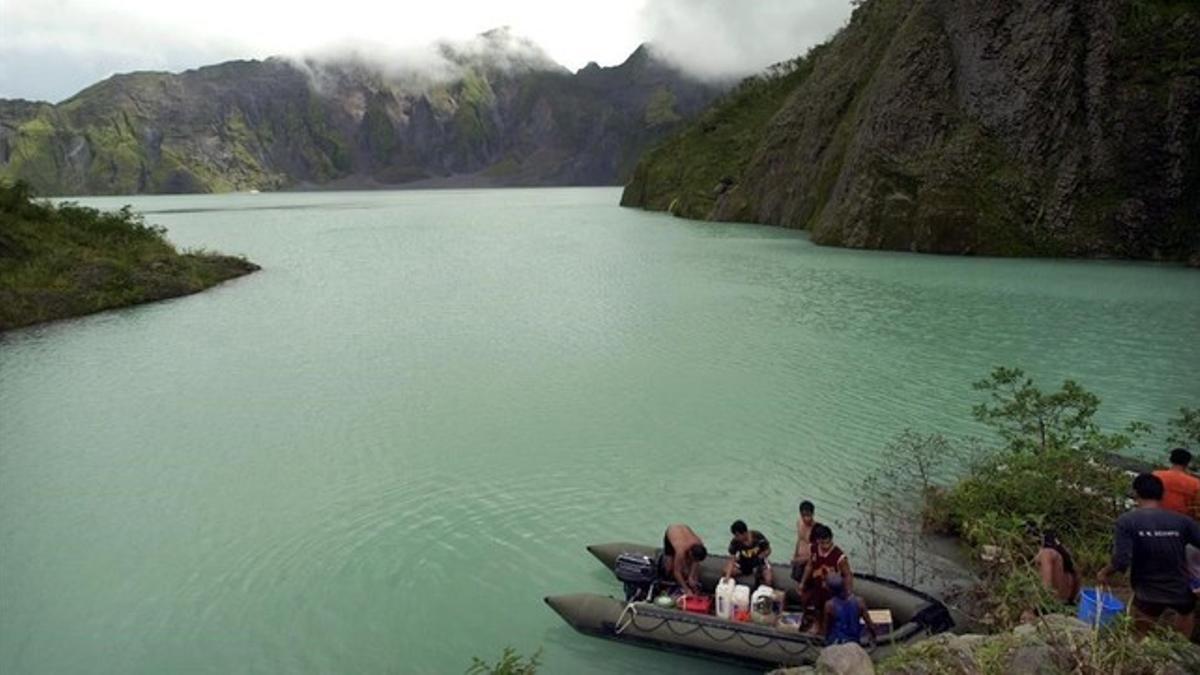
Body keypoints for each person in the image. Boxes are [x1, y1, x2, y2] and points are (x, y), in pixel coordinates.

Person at [1098, 473, 1200, 637]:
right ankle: (1181, 655)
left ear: (1136, 493)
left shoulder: (1127, 521)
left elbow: (1121, 560)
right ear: (1162, 495)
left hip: (1148, 592)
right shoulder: (1182, 521)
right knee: (1184, 632)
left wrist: (1105, 572)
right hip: (1181, 591)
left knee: (1138, 640)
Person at [797, 524, 853, 635]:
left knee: (829, 612)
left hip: (832, 591)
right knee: (816, 606)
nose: (825, 546)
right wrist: (802, 583)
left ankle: (826, 629)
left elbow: (847, 575)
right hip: (818, 587)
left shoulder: (839, 557)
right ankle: (817, 624)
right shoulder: (813, 549)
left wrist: (848, 592)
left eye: (828, 542)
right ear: (818, 541)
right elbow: (810, 566)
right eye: (822, 543)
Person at [1031, 526, 1080, 604]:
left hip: (1052, 603)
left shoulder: (1047, 553)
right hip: (1066, 602)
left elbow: (1047, 582)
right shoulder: (1065, 558)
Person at [824, 574, 876, 646]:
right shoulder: (859, 602)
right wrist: (874, 636)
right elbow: (870, 624)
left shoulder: (829, 605)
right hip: (854, 640)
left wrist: (825, 640)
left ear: (831, 591)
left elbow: (827, 628)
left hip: (836, 641)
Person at [723, 520, 774, 586]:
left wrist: (761, 556)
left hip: (759, 562)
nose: (736, 538)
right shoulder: (735, 542)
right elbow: (732, 558)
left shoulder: (758, 537)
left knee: (769, 580)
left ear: (744, 533)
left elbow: (769, 550)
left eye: (737, 535)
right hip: (744, 562)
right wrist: (727, 577)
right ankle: (747, 571)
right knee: (725, 571)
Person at [1153, 448, 1200, 519]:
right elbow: (1196, 509)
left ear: (1171, 460)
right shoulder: (1195, 483)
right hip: (1181, 522)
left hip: (1155, 517)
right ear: (1187, 463)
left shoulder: (1156, 475)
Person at [662, 524, 707, 595]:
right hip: (672, 532)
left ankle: (689, 581)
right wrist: (686, 589)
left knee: (688, 571)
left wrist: (691, 576)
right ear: (690, 552)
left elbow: (696, 561)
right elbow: (676, 572)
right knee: (669, 567)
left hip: (684, 530)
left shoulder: (699, 543)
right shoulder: (681, 550)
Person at [791, 501, 822, 582]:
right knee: (796, 577)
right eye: (803, 515)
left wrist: (803, 559)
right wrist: (795, 555)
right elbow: (799, 540)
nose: (806, 518)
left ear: (813, 514)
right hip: (799, 558)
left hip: (810, 561)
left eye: (808, 515)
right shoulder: (799, 523)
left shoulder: (816, 529)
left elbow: (819, 552)